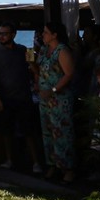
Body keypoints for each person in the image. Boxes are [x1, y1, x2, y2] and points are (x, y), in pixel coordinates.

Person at [0, 22, 43, 173]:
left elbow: (34, 70)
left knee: (29, 131)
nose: (1, 36)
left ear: (13, 34)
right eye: (0, 33)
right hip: (5, 96)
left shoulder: (23, 50)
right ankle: (9, 159)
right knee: (6, 130)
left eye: (5, 33)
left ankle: (35, 162)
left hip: (23, 95)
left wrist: (32, 64)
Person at [35, 21, 75, 183]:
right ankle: (53, 164)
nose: (42, 35)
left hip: (59, 98)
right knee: (48, 131)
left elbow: (69, 74)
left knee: (62, 132)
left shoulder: (62, 51)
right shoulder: (44, 51)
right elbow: (40, 71)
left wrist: (53, 90)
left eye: (45, 32)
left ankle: (68, 167)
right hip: (45, 98)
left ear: (54, 34)